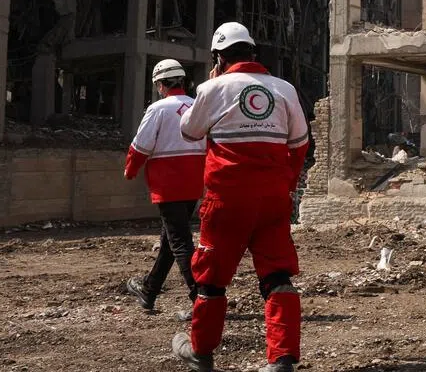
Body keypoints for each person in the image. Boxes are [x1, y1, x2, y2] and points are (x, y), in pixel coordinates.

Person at [172, 22, 310, 372]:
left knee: (211, 278)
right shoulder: (284, 89)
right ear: (252, 52)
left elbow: (189, 131)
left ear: (218, 57)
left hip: (226, 201)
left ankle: (201, 351)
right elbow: (299, 144)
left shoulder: (213, 87)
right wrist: (286, 186)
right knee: (277, 275)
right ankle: (281, 359)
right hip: (273, 201)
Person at [123, 59, 205, 316]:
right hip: (194, 182)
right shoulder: (198, 106)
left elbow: (141, 146)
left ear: (160, 85)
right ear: (182, 81)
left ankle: (201, 299)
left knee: (180, 241)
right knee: (171, 239)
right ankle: (149, 291)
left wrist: (130, 170)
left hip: (168, 185)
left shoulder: (158, 109)